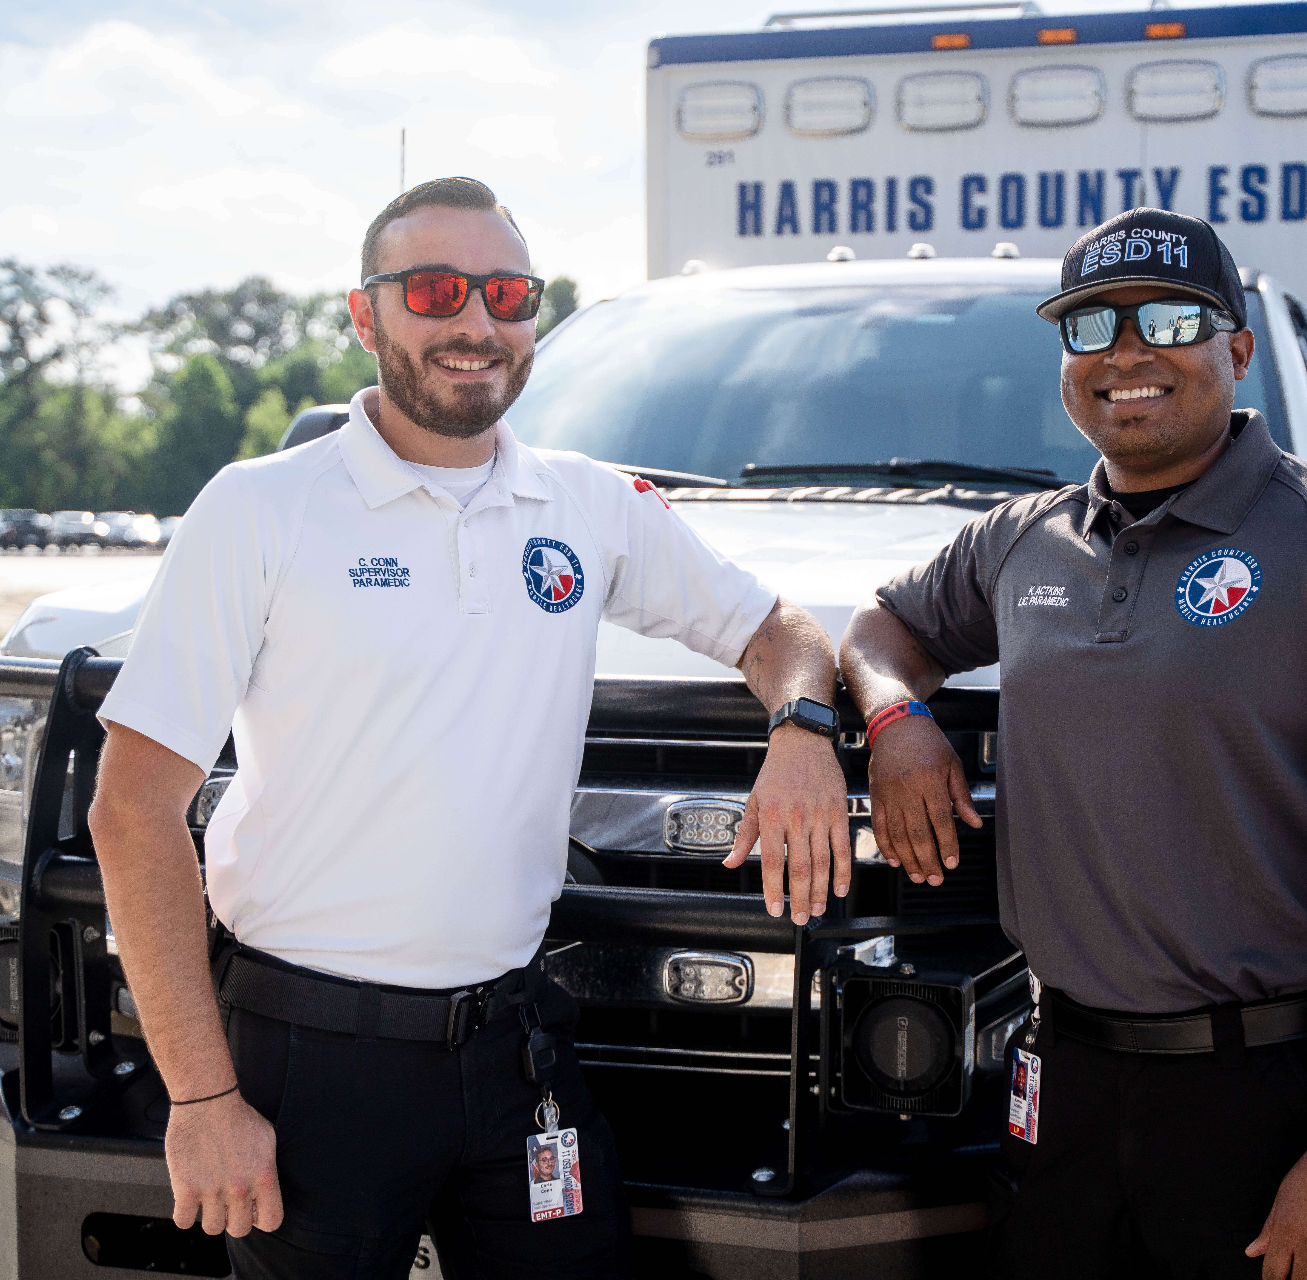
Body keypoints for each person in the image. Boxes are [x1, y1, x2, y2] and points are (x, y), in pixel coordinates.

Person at [89, 176, 853, 1280]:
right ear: (366, 315)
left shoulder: (587, 506)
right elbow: (131, 810)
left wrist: (803, 729)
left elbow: (776, 626)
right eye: (437, 289)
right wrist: (203, 1096)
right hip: (311, 1061)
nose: (476, 323)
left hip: (517, 1048)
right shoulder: (262, 507)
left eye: (507, 292)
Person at [837, 207, 1307, 1280]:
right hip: (1065, 1082)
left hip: (1275, 1096)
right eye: (1091, 326)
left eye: (1168, 317)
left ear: (1236, 350)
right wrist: (896, 720)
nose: (1127, 352)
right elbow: (881, 631)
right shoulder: (1023, 538)